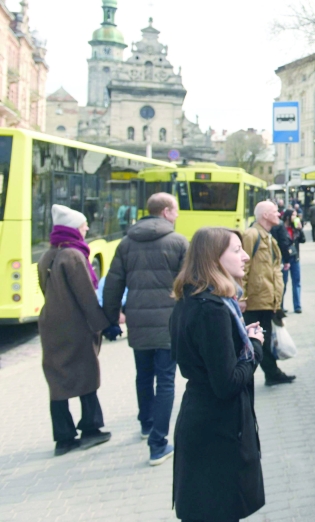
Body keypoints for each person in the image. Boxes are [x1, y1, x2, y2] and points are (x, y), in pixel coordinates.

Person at [170, 227, 266, 522]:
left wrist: (239, 341)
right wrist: (255, 347)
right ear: (214, 258)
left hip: (204, 424)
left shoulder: (194, 298)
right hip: (216, 434)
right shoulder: (212, 309)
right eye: (237, 250)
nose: (245, 256)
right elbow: (227, 383)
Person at [103, 192, 188, 466]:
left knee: (143, 374)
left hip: (138, 319)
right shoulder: (178, 242)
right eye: (175, 210)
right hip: (168, 321)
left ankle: (146, 424)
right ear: (165, 212)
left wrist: (111, 319)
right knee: (165, 380)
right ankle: (158, 444)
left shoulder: (126, 243)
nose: (177, 215)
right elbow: (189, 283)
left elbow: (113, 283)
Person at [38, 205, 118, 456]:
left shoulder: (46, 256)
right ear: (73, 228)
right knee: (86, 374)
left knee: (57, 380)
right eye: (83, 225)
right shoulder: (73, 256)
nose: (86, 228)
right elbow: (86, 297)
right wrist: (105, 325)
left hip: (51, 324)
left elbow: (45, 289)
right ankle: (91, 429)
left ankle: (63, 437)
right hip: (76, 326)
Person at [242, 201, 296, 386]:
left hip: (266, 301)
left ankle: (272, 374)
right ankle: (258, 376)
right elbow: (243, 269)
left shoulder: (268, 237)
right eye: (275, 212)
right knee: (257, 342)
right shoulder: (251, 235)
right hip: (255, 302)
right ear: (265, 215)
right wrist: (241, 298)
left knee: (263, 342)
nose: (279, 215)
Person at [272, 209, 303, 314]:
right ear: (288, 216)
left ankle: (297, 306)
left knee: (296, 282)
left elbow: (303, 240)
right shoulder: (279, 227)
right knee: (283, 282)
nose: (295, 217)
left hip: (294, 257)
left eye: (296, 215)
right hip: (284, 258)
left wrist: (300, 229)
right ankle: (280, 305)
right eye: (293, 215)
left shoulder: (295, 228)